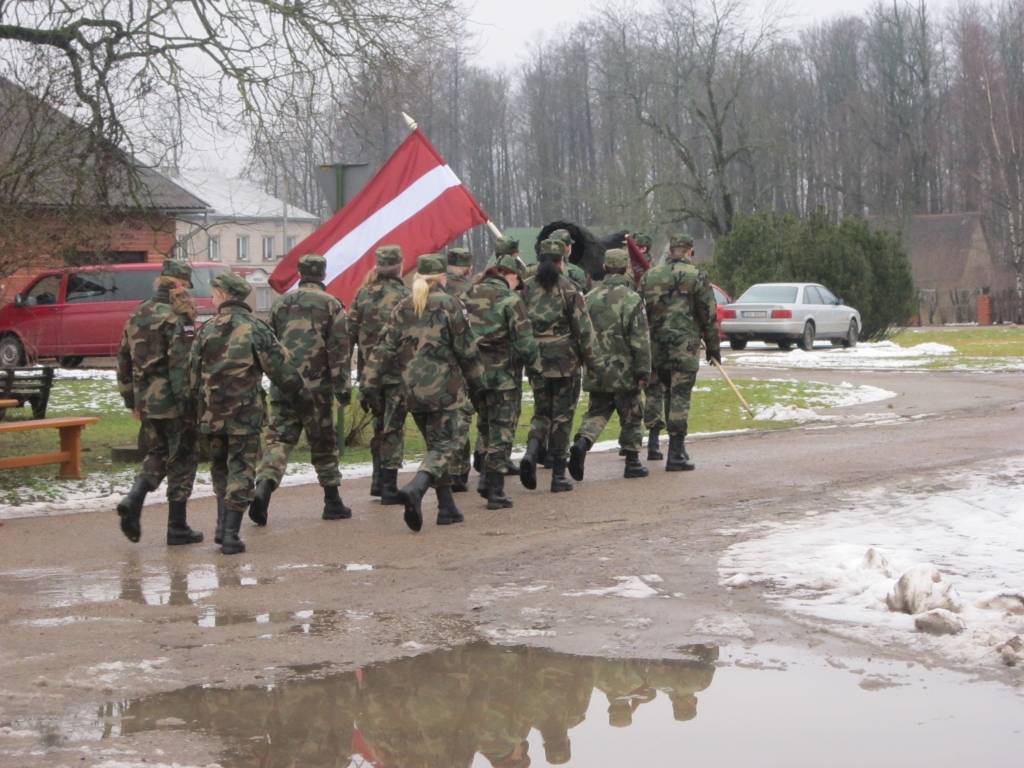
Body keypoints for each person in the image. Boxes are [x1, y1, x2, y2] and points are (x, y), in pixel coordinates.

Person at [187, 271, 311, 554]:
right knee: (241, 470)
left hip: (211, 414)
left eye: (216, 293)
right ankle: (229, 533)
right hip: (244, 414)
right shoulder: (255, 328)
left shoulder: (206, 330)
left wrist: (194, 410)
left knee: (220, 468)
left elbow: (191, 376)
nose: (213, 297)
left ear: (225, 296)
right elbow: (281, 369)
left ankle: (222, 525)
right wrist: (302, 397)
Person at [362, 253, 485, 532]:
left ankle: (446, 507)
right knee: (449, 442)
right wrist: (479, 384)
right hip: (446, 389)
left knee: (434, 445)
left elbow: (383, 349)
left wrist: (368, 383)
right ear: (441, 276)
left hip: (411, 391)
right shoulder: (450, 305)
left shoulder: (403, 306)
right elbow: (467, 350)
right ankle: (418, 486)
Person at [249, 254, 351, 526]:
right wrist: (343, 387)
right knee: (323, 443)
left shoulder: (281, 304)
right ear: (323, 274)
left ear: (300, 273)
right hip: (317, 388)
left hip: (285, 385)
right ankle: (332, 501)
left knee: (279, 440)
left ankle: (264, 486)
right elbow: (339, 350)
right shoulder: (332, 305)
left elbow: (269, 344)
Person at [115, 259, 202, 545]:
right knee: (183, 458)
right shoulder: (179, 317)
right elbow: (181, 366)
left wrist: (131, 400)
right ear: (182, 284)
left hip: (147, 401)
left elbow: (123, 360)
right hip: (174, 402)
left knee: (158, 451)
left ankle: (134, 497)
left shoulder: (138, 312)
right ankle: (177, 526)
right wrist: (188, 404)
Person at [462, 250, 539, 509]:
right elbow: (525, 342)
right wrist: (534, 366)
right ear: (509, 275)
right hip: (503, 375)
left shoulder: (467, 296)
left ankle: (484, 477)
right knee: (501, 431)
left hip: (472, 374)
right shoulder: (510, 300)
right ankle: (494, 488)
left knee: (484, 425)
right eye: (519, 279)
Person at [568, 248, 651, 481]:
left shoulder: (590, 297)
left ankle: (583, 442)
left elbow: (581, 333)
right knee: (633, 413)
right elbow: (640, 339)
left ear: (605, 268)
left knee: (597, 411)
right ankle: (632, 461)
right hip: (625, 368)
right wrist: (644, 370)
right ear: (625, 268)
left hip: (597, 367)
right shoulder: (632, 299)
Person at [639, 233, 719, 471]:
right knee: (680, 397)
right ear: (689, 252)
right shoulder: (697, 276)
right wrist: (713, 347)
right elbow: (709, 314)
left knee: (661, 393)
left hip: (656, 345)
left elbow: (639, 311)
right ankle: (675, 453)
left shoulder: (650, 276)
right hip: (684, 346)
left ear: (671, 251)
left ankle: (665, 447)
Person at [518, 238, 593, 493]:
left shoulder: (525, 289)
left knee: (542, 412)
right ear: (562, 260)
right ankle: (559, 474)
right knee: (562, 417)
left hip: (537, 361)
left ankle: (531, 451)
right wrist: (591, 360)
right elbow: (583, 330)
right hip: (565, 362)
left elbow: (519, 326)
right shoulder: (569, 289)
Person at [349, 245, 410, 505]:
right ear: (399, 265)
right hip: (397, 373)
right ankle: (388, 485)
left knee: (379, 425)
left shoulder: (363, 295)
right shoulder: (405, 296)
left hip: (369, 374)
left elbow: (349, 331)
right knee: (393, 428)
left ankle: (377, 480)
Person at [446, 245, 475, 491]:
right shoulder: (470, 292)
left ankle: (449, 468)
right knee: (462, 416)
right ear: (468, 267)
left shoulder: (432, 290)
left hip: (434, 365)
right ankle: (459, 471)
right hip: (463, 361)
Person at [549, 228, 592, 294]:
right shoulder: (576, 272)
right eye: (570, 244)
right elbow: (585, 298)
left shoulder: (534, 269)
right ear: (567, 247)